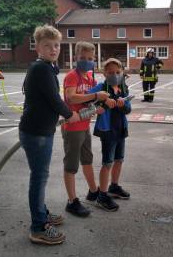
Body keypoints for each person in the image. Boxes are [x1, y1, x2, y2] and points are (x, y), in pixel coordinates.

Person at [19, 24, 80, 245]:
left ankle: (41, 214)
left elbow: (46, 98)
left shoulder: (44, 67)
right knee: (39, 178)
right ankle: (38, 227)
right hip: (36, 133)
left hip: (39, 130)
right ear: (38, 48)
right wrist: (69, 114)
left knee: (40, 176)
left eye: (56, 45)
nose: (53, 49)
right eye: (48, 46)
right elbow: (54, 100)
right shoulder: (42, 69)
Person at [62, 41, 110, 217]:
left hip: (84, 127)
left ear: (94, 59)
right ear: (75, 58)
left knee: (87, 160)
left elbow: (87, 103)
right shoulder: (72, 76)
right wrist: (96, 95)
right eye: (83, 58)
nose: (87, 61)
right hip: (72, 127)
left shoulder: (91, 79)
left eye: (90, 58)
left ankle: (93, 191)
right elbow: (72, 98)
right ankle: (72, 201)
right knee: (71, 165)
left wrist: (97, 107)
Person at [88, 58, 131, 211]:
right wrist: (103, 103)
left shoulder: (123, 88)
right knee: (108, 163)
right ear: (104, 73)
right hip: (108, 131)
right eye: (111, 72)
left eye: (118, 72)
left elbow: (128, 110)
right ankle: (102, 195)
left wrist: (122, 104)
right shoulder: (100, 88)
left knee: (119, 159)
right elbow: (88, 104)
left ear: (122, 73)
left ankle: (114, 186)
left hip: (121, 129)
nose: (114, 75)